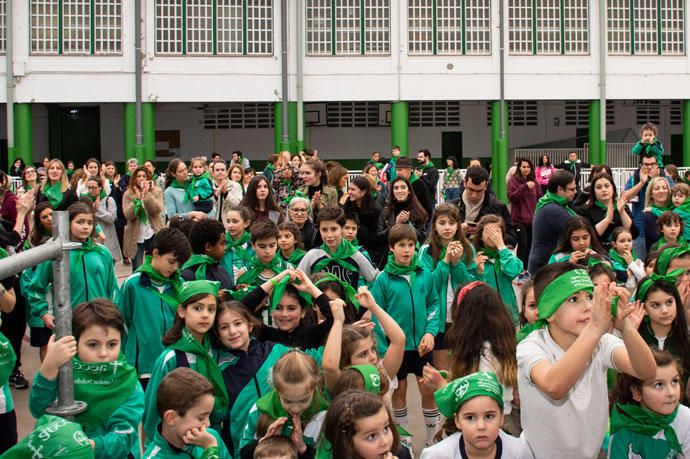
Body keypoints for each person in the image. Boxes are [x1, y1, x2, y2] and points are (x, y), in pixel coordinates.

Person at [516, 262, 656, 459]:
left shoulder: (602, 342)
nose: (588, 307)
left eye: (590, 296)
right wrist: (596, 328)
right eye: (574, 299)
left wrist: (626, 328)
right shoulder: (531, 346)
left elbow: (647, 371)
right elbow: (554, 386)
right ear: (549, 311)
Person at [29, 300, 145, 458]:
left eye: (112, 344)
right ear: (76, 343)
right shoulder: (65, 371)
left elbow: (125, 434)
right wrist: (49, 366)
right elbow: (38, 409)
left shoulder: (128, 382)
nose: (104, 353)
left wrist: (90, 446)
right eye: (92, 345)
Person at [370, 223, 440, 447]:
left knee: (428, 390)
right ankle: (405, 442)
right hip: (396, 350)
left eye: (411, 245)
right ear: (391, 247)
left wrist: (430, 333)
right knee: (398, 392)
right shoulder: (383, 279)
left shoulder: (424, 274)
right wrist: (384, 348)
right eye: (401, 245)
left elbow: (434, 305)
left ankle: (432, 439)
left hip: (422, 347)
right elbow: (377, 315)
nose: (407, 250)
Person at [143, 281, 227, 441]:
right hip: (178, 442)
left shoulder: (217, 351)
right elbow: (152, 411)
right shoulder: (171, 357)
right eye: (197, 308)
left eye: (211, 309)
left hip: (211, 437)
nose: (205, 315)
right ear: (182, 311)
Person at [26, 202, 119, 330]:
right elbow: (36, 288)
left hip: (101, 321)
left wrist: (112, 313)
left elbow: (112, 288)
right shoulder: (56, 252)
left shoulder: (102, 253)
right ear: (68, 223)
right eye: (80, 222)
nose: (85, 227)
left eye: (89, 223)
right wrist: (43, 313)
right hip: (69, 323)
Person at [118, 227, 191, 389]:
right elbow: (121, 322)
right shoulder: (133, 284)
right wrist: (123, 358)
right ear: (156, 253)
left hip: (172, 362)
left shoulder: (179, 285)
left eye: (179, 264)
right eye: (171, 262)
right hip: (142, 366)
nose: (174, 268)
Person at [239, 351, 329, 458]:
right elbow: (243, 453)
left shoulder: (324, 415)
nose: (295, 409)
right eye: (288, 401)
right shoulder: (259, 410)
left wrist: (302, 448)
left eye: (303, 400)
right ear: (277, 390)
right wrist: (264, 443)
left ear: (315, 387)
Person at [421, 372, 532, 459]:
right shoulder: (437, 456)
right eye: (470, 418)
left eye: (489, 416)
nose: (481, 426)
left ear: (502, 417)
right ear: (457, 421)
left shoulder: (519, 453)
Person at [418, 203, 475, 369]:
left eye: (451, 223)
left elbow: (471, 285)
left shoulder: (468, 249)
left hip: (461, 318)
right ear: (434, 226)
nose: (447, 227)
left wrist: (457, 263)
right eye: (442, 223)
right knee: (442, 370)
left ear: (458, 225)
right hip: (439, 320)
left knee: (462, 369)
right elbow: (428, 286)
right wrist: (445, 261)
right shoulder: (426, 250)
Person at [608, 349, 690, 458]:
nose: (671, 393)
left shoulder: (685, 417)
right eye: (659, 385)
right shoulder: (623, 426)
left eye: (675, 381)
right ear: (636, 392)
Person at [143, 368, 232, 459]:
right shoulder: (210, 443)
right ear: (171, 418)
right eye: (201, 418)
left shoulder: (211, 438)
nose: (208, 424)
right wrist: (211, 451)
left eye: (209, 416)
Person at [298, 206, 379, 287]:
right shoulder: (312, 256)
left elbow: (375, 280)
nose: (329, 235)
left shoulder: (356, 255)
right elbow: (298, 281)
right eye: (324, 230)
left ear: (342, 228)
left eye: (333, 229)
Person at [471, 215, 524, 322]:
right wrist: (479, 272)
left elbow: (514, 271)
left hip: (508, 315)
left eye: (497, 232)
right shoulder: (475, 258)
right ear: (480, 236)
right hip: (484, 318)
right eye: (488, 231)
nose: (493, 236)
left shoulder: (508, 255)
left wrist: (501, 246)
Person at [451, 166, 517, 245]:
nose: (474, 195)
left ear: (486, 186)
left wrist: (490, 234)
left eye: (479, 191)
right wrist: (457, 231)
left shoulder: (498, 207)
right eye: (471, 190)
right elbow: (436, 237)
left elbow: (512, 238)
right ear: (464, 183)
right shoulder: (451, 207)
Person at [527, 169, 577, 274]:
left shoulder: (548, 202)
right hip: (545, 268)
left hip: (542, 265)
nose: (575, 192)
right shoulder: (554, 210)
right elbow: (579, 230)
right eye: (572, 189)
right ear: (560, 189)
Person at [623, 151, 671, 259]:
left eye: (652, 164)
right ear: (641, 165)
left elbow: (672, 199)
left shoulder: (666, 179)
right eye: (646, 165)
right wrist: (641, 182)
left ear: (657, 164)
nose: (649, 167)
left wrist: (655, 181)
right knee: (641, 265)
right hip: (640, 230)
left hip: (664, 232)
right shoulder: (635, 178)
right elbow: (625, 197)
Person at [575, 173, 636, 247]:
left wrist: (622, 212)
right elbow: (590, 237)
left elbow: (634, 233)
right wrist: (607, 219)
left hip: (622, 252)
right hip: (598, 252)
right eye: (599, 187)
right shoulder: (586, 210)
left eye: (607, 186)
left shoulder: (623, 207)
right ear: (593, 191)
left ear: (613, 188)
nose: (603, 190)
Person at [124, 166, 165, 271]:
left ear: (148, 178)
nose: (141, 178)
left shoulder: (156, 191)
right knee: (137, 268)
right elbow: (128, 215)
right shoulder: (128, 194)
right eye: (138, 176)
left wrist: (147, 195)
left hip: (152, 232)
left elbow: (156, 210)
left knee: (154, 266)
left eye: (144, 176)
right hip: (136, 235)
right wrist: (137, 200)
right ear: (134, 178)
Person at [235, 220, 291, 294]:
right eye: (262, 246)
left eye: (272, 245)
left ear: (277, 243)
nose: (268, 251)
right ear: (253, 245)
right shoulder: (244, 273)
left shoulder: (288, 269)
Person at [376, 177, 429, 249]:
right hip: (390, 255)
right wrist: (396, 225)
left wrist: (408, 224)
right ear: (392, 192)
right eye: (396, 188)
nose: (399, 191)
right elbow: (379, 238)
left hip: (412, 254)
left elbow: (422, 237)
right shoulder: (385, 212)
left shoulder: (419, 212)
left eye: (403, 187)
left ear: (409, 191)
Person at [181, 219, 235, 290]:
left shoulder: (221, 270)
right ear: (208, 247)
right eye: (222, 243)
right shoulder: (187, 276)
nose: (225, 247)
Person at [342, 176, 383, 265]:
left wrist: (361, 231)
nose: (349, 192)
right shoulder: (348, 203)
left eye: (353, 189)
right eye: (349, 189)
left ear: (363, 192)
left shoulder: (375, 209)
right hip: (350, 246)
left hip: (371, 250)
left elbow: (378, 235)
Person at [508, 157, 542, 263]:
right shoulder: (513, 181)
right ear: (519, 168)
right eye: (523, 167)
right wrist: (524, 187)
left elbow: (540, 198)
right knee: (523, 243)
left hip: (532, 219)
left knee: (531, 245)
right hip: (518, 219)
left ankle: (527, 268)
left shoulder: (535, 183)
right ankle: (520, 268)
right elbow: (512, 197)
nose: (526, 169)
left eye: (528, 167)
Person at [83, 175, 121, 263]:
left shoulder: (109, 200)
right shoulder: (85, 200)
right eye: (89, 187)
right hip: (92, 241)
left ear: (100, 188)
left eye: (93, 187)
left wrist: (98, 209)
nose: (91, 190)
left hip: (108, 241)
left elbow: (112, 218)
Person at [221, 205, 254, 277]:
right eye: (228, 221)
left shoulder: (253, 244)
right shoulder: (221, 244)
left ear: (246, 223)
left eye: (235, 222)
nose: (230, 225)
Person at [643, 176, 673, 251]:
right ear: (651, 194)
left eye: (664, 188)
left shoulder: (675, 210)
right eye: (657, 189)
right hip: (659, 256)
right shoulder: (649, 215)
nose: (661, 191)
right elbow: (658, 239)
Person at [211, 159, 243, 224]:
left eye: (222, 170)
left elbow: (239, 205)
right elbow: (206, 205)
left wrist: (226, 193)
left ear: (226, 172)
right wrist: (217, 193)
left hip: (229, 224)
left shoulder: (235, 186)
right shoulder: (207, 185)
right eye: (217, 170)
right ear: (213, 173)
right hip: (212, 223)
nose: (220, 172)